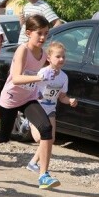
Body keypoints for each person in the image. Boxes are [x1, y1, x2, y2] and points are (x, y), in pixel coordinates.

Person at [0, 14, 61, 190]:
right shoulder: (23, 50)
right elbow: (16, 78)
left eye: (46, 33)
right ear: (29, 33)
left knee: (46, 129)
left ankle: (43, 175)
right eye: (39, 33)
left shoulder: (43, 53)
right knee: (4, 136)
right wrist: (39, 76)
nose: (43, 37)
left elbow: (39, 76)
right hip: (10, 99)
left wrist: (50, 74)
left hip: (28, 98)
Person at [26, 42, 78, 173]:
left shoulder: (64, 77)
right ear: (49, 58)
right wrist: (36, 94)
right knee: (39, 138)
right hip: (37, 108)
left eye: (63, 57)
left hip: (50, 110)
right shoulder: (42, 72)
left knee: (50, 139)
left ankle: (33, 163)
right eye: (58, 56)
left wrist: (70, 100)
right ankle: (28, 122)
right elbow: (31, 87)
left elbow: (62, 97)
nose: (61, 59)